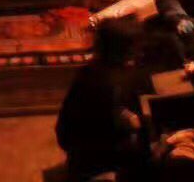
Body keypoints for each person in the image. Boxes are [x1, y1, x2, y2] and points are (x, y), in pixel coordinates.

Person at [55, 18, 150, 181]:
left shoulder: (91, 70)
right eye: (135, 47)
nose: (140, 52)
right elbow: (106, 130)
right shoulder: (107, 84)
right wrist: (133, 123)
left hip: (80, 147)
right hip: (94, 160)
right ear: (120, 50)